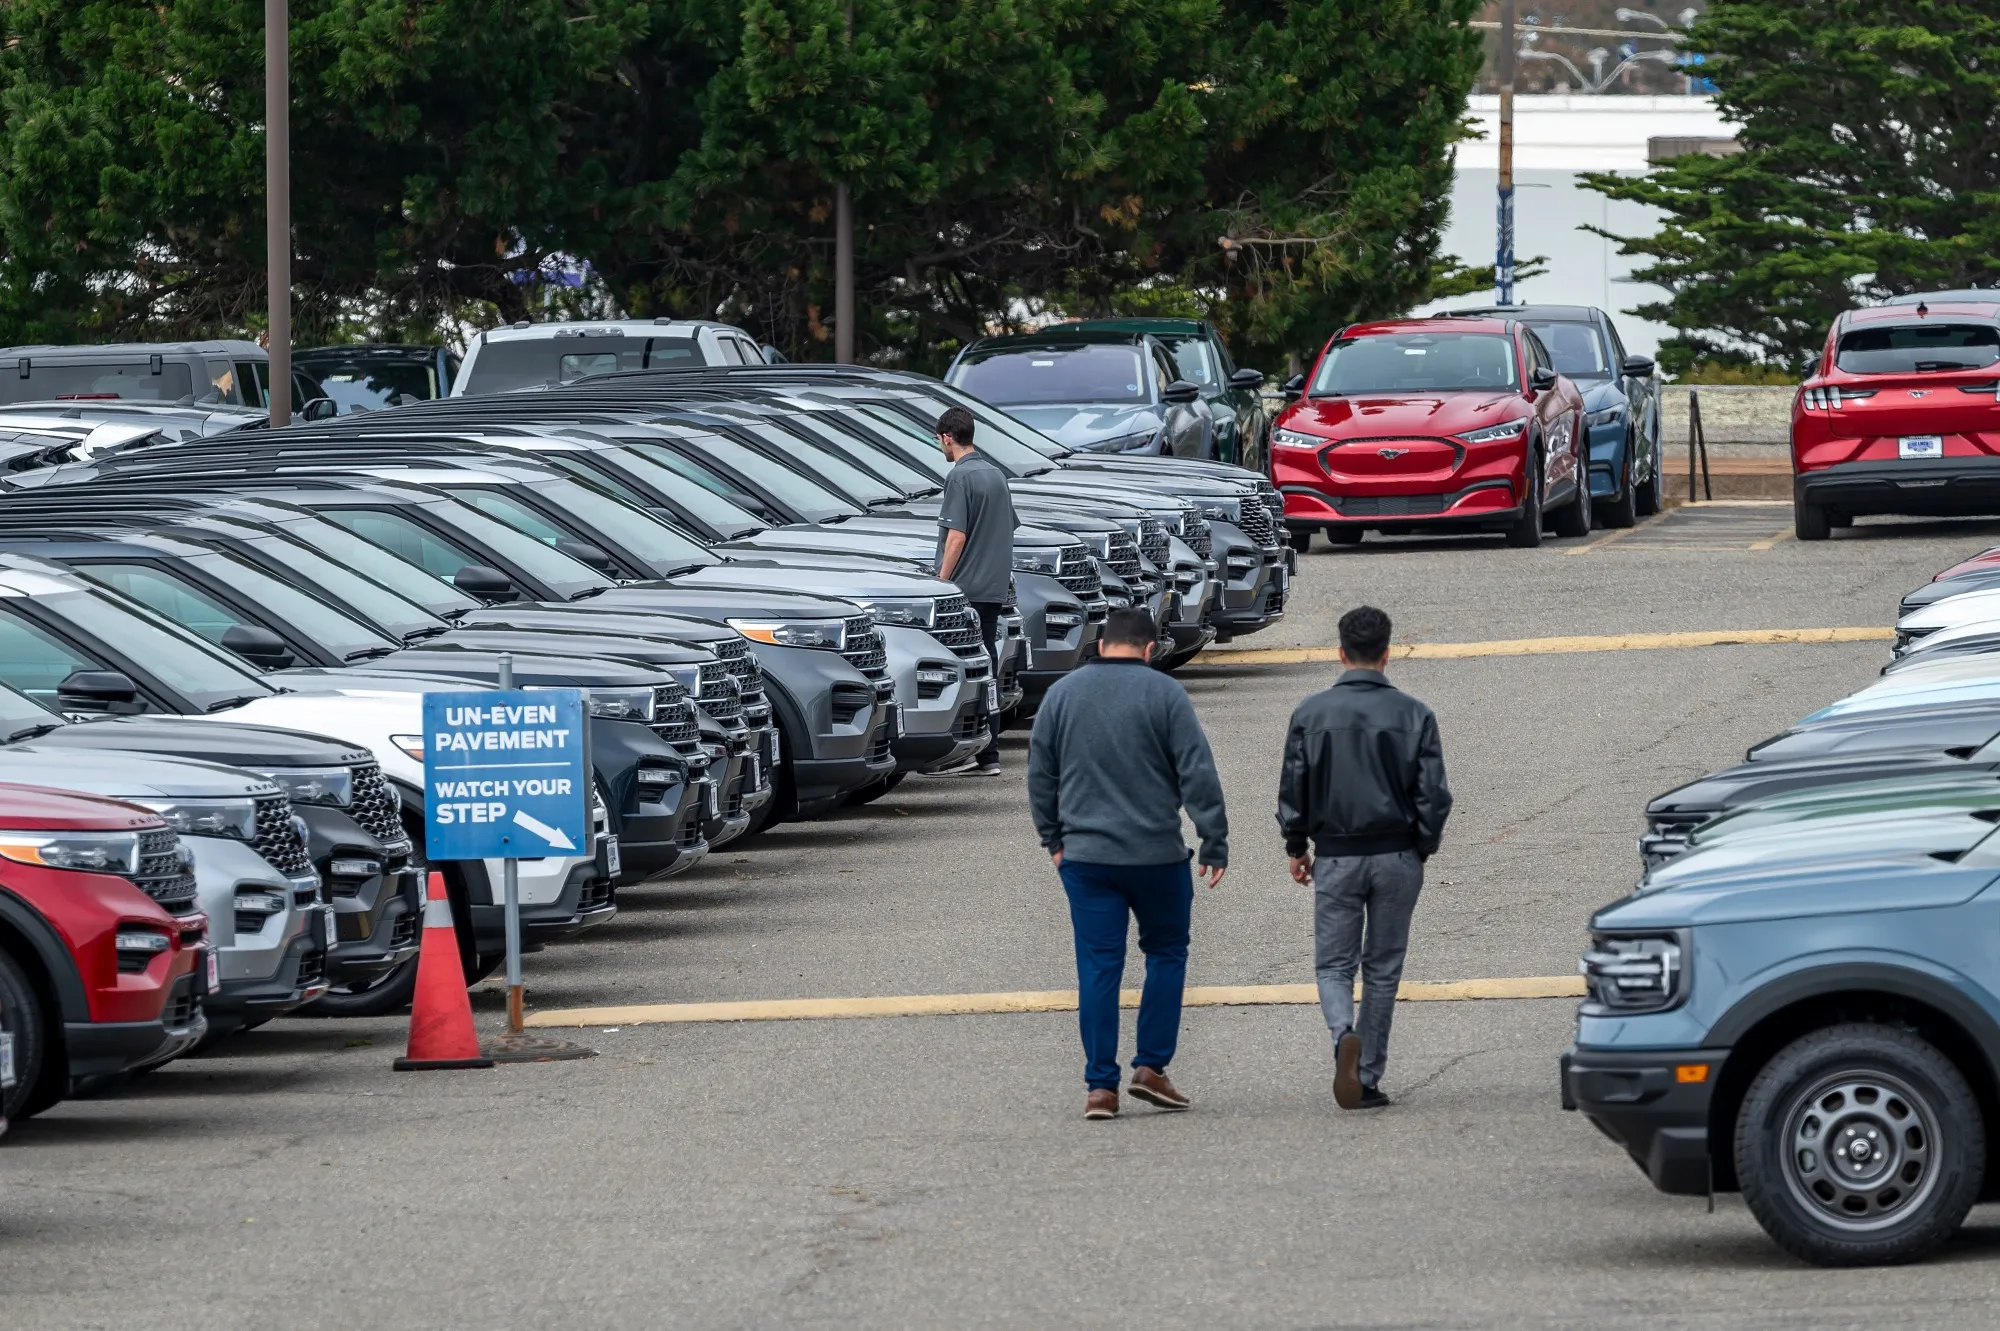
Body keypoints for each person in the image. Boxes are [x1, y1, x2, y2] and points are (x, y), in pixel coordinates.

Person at [1028, 606, 1228, 1120]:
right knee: (1166, 952)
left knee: (1099, 966)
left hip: (1086, 857)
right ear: (1149, 648)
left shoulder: (1062, 696)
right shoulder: (1165, 694)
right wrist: (1213, 839)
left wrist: (1054, 839)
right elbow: (1196, 770)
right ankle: (1151, 1067)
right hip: (1156, 855)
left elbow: (1040, 777)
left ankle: (1100, 1087)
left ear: (1099, 646)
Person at [1277, 605, 1452, 1111]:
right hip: (1397, 851)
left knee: (1334, 964)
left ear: (1340, 653)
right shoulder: (1414, 713)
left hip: (1337, 854)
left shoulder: (1311, 713)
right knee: (1383, 967)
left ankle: (1341, 1037)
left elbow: (1294, 786)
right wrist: (1422, 845)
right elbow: (1433, 795)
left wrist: (1297, 845)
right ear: (1387, 652)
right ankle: (1369, 1073)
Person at [932, 405, 1017, 776]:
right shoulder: (996, 474)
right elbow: (1007, 527)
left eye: (940, 440)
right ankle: (990, 753)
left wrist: (941, 582)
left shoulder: (959, 477)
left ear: (948, 437)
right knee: (988, 665)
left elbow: (956, 537)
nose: (941, 446)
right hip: (994, 586)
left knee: (963, 669)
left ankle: (969, 749)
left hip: (965, 588)